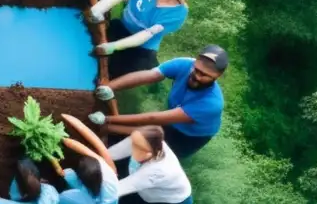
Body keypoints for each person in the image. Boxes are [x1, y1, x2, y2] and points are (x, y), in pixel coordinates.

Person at [93, 45, 228, 159]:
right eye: (196, 70)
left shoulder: (211, 104)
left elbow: (154, 118)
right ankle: (107, 129)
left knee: (149, 154)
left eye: (205, 75)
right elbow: (147, 76)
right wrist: (109, 87)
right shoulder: (185, 64)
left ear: (217, 76)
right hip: (175, 115)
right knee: (144, 133)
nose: (197, 76)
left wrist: (107, 119)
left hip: (188, 137)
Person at [88, 0, 194, 78]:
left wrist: (114, 46)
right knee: (93, 46)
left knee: (113, 72)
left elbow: (147, 34)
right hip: (121, 27)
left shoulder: (179, 12)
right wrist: (98, 9)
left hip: (142, 47)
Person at [108, 126, 193, 204]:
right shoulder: (145, 141)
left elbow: (114, 190)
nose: (134, 150)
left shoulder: (156, 171)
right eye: (134, 144)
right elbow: (109, 154)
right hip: (146, 192)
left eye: (141, 149)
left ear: (155, 150)